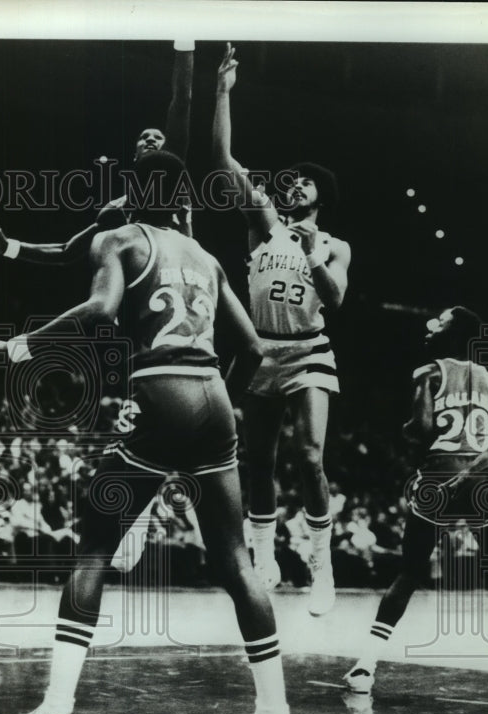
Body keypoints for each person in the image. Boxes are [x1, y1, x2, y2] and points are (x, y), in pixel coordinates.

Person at [0, 150, 296, 714]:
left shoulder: (119, 238)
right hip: (213, 399)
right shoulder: (206, 258)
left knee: (96, 551)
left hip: (157, 391)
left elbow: (102, 310)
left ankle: (54, 713)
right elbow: (257, 348)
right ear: (184, 199)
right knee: (237, 563)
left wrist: (23, 345)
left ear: (131, 192)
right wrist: (216, 402)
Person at [342, 306, 488, 714]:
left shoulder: (427, 371)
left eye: (437, 322)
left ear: (451, 335)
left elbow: (422, 429)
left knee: (410, 572)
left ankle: (365, 668)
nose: (429, 327)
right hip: (483, 477)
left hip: (440, 476)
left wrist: (408, 429)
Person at [212, 44, 352, 615]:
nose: (292, 186)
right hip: (261, 352)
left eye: (302, 183)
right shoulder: (263, 227)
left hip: (309, 351)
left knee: (311, 456)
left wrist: (312, 253)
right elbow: (222, 158)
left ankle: (323, 562)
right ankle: (264, 554)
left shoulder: (334, 244)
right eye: (288, 182)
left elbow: (337, 299)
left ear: (320, 196)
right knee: (257, 463)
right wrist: (223, 91)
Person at [0, 41, 196, 264]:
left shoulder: (171, 175)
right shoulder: (117, 211)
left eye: (158, 137)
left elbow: (182, 100)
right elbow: (67, 251)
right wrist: (7, 247)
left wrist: (185, 41)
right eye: (144, 137)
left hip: (187, 274)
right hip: (144, 284)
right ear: (135, 156)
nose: (151, 139)